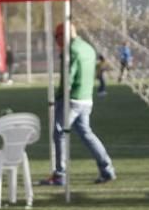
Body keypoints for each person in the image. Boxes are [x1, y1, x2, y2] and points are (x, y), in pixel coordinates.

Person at [41, 22, 116, 186]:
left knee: (59, 133)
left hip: (72, 99)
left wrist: (60, 97)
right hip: (86, 98)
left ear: (64, 35)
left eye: (56, 37)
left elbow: (68, 77)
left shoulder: (70, 50)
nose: (56, 41)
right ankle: (107, 169)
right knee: (86, 134)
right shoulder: (88, 48)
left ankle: (60, 174)